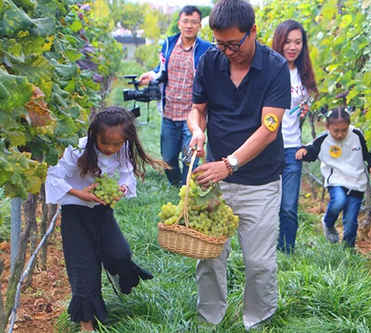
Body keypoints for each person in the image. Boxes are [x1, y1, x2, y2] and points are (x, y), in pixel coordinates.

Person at [187, 0, 291, 329]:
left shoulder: (274, 68)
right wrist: (197, 130)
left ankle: (258, 320)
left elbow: (269, 130)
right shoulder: (209, 62)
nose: (227, 51)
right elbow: (197, 108)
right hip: (213, 181)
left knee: (259, 262)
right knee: (209, 257)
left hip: (259, 181)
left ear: (253, 33)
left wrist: (229, 164)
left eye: (234, 44)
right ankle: (210, 318)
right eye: (220, 44)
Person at [45, 107, 166, 332]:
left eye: (117, 144)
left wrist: (121, 188)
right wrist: (80, 193)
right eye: (105, 144)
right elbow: (53, 176)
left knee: (120, 254)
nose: (111, 149)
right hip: (75, 214)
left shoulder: (123, 147)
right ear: (93, 136)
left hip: (101, 211)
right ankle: (87, 324)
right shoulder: (76, 150)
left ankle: (120, 276)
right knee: (83, 270)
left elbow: (126, 172)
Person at [138, 5, 212, 186]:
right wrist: (151, 75)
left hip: (192, 117)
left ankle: (187, 189)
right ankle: (176, 182)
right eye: (185, 21)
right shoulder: (169, 44)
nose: (189, 26)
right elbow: (161, 70)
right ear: (179, 23)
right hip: (169, 113)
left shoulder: (207, 49)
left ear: (199, 26)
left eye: (194, 22)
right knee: (168, 158)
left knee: (190, 158)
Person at [296, 108, 371, 248]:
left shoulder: (357, 135)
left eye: (344, 130)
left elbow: (368, 153)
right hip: (336, 179)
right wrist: (303, 151)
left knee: (351, 220)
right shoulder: (324, 139)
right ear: (327, 127)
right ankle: (328, 223)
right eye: (336, 131)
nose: (340, 134)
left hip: (356, 182)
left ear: (349, 126)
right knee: (339, 201)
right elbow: (312, 150)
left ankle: (348, 249)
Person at [271, 20, 318, 254]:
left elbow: (300, 108)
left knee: (289, 205)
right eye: (288, 41)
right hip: (267, 146)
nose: (292, 46)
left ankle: (286, 251)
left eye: (298, 42)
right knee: (269, 203)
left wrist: (303, 112)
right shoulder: (269, 70)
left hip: (292, 146)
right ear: (279, 42)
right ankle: (265, 247)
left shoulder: (303, 74)